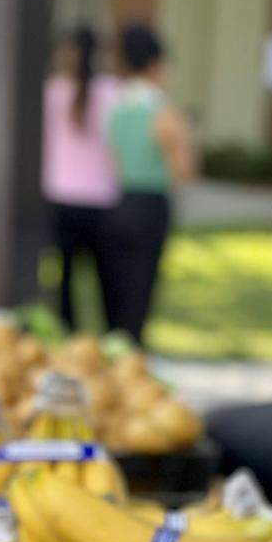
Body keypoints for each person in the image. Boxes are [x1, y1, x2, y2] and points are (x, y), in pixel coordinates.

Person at [104, 23, 193, 343]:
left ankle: (117, 349)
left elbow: (111, 158)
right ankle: (131, 355)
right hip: (151, 205)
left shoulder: (116, 107)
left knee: (118, 291)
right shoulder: (162, 110)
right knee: (140, 292)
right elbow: (184, 170)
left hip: (119, 202)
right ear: (155, 63)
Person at [41, 27, 120, 330]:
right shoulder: (111, 92)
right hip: (101, 198)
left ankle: (68, 336)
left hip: (62, 196)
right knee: (106, 282)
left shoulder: (53, 92)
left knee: (65, 282)